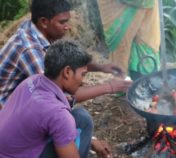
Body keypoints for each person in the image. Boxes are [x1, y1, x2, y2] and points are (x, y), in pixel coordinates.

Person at [0, 39, 140, 158]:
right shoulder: (58, 114)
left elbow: (63, 105)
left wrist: (92, 140)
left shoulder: (32, 82)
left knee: (79, 117)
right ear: (67, 72)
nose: (84, 80)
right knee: (82, 121)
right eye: (83, 74)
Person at [0, 0, 131, 109]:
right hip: (7, 110)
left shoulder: (37, 29)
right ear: (44, 22)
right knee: (75, 116)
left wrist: (101, 68)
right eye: (62, 22)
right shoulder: (30, 50)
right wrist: (110, 87)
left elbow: (65, 60)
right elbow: (59, 97)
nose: (67, 26)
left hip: (23, 97)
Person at [97, 0, 161, 80]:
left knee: (144, 37)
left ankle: (144, 82)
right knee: (122, 45)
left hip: (145, 15)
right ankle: (123, 83)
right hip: (117, 11)